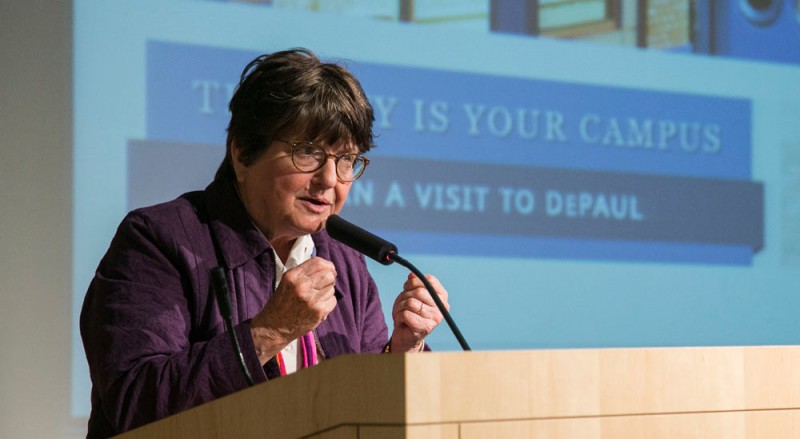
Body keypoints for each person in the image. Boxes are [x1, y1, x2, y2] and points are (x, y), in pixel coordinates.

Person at [80, 48, 450, 438]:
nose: (330, 180)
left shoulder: (346, 263)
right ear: (242, 153)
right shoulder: (158, 240)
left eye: (346, 159)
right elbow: (136, 403)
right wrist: (269, 332)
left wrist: (403, 351)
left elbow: (370, 413)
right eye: (308, 152)